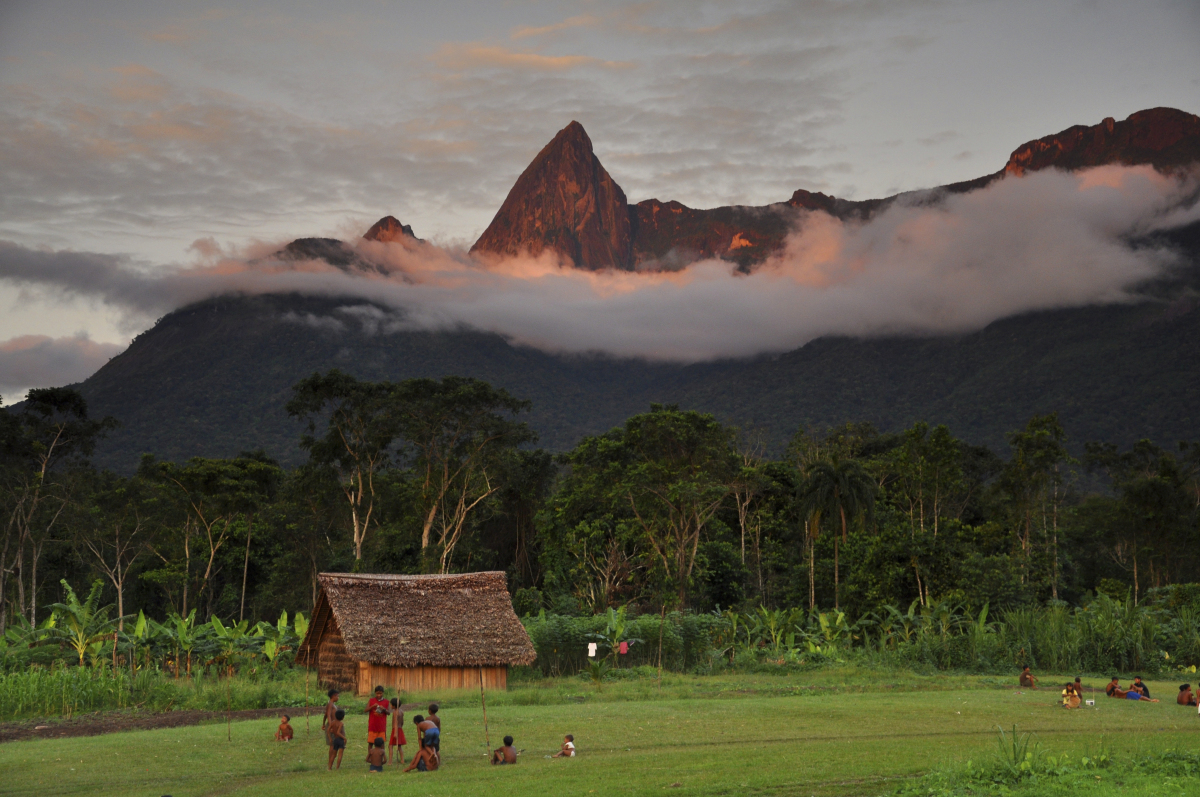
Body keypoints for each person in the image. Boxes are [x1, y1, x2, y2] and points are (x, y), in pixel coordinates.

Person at [365, 685, 391, 750]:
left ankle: (382, 756)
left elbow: (389, 712)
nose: (379, 695)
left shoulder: (386, 702)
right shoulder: (371, 700)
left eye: (380, 693)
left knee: (382, 743)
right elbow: (365, 710)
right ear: (375, 693)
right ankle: (370, 757)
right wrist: (372, 706)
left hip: (381, 726)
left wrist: (384, 709)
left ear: (383, 693)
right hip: (372, 725)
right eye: (377, 693)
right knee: (371, 742)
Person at [389, 697, 407, 765]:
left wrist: (395, 733)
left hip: (395, 730)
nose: (390, 706)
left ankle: (390, 761)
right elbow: (402, 722)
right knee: (399, 746)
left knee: (390, 746)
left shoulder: (395, 712)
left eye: (391, 704)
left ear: (393, 705)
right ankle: (402, 760)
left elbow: (395, 723)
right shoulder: (401, 711)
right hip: (400, 729)